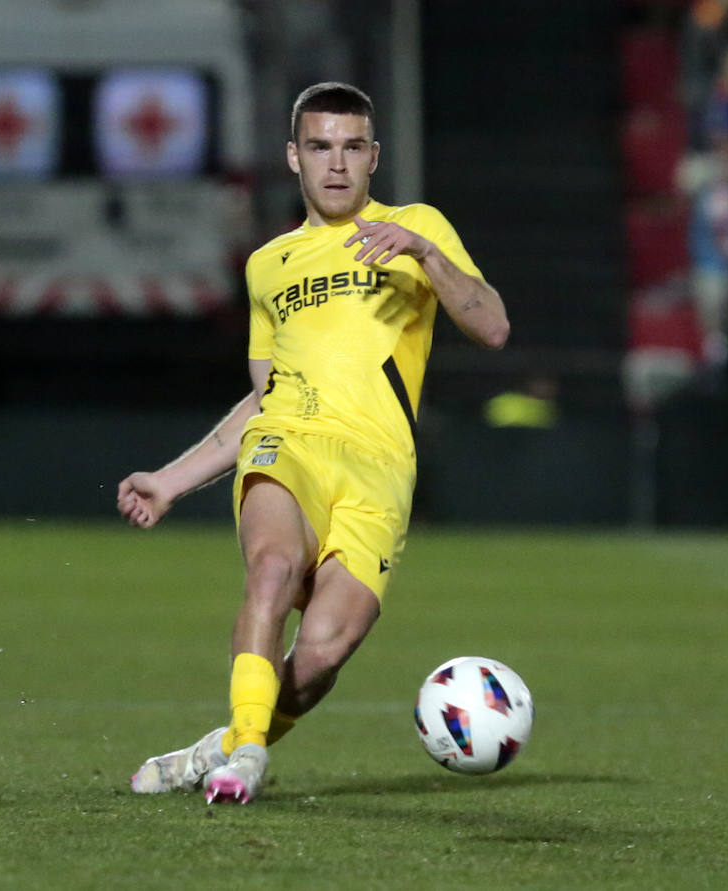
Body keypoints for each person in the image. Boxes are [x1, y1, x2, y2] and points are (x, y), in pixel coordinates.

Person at [117, 82, 509, 804]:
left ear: (374, 157)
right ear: (294, 157)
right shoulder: (269, 265)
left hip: (379, 468)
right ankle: (249, 761)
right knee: (271, 568)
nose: (337, 164)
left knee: (326, 650)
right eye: (321, 147)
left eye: (352, 147)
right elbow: (264, 397)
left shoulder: (415, 227)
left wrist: (425, 253)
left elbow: (491, 325)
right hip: (289, 441)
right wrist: (171, 479)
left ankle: (228, 742)